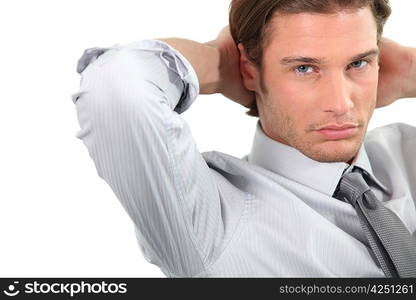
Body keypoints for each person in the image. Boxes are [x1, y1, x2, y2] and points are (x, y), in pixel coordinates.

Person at [71, 0, 416, 277]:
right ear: (249, 69)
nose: (341, 104)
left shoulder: (405, 151)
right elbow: (117, 87)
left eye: (357, 63)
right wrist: (217, 63)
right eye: (304, 68)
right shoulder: (209, 222)